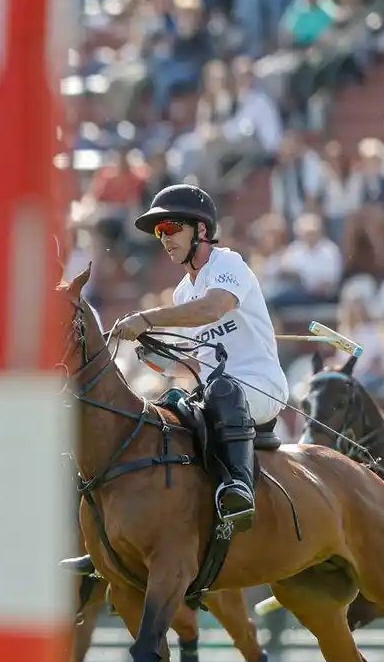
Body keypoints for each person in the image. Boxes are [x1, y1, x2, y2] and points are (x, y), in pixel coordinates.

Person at [108, 184, 289, 532]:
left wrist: (147, 319)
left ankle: (238, 488)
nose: (164, 239)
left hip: (260, 387)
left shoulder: (228, 263)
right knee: (168, 405)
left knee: (223, 390)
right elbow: (192, 364)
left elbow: (213, 307)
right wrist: (157, 358)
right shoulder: (182, 292)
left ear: (201, 229)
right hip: (215, 396)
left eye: (171, 228)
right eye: (159, 232)